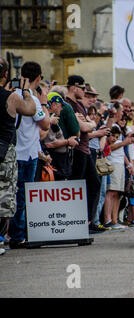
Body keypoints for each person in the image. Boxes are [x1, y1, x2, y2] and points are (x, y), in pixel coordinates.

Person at [8, 61, 51, 249]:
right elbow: (45, 124)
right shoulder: (31, 98)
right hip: (27, 153)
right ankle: (18, 235)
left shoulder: (11, 95)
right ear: (39, 78)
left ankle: (13, 233)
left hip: (14, 151)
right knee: (23, 196)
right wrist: (43, 103)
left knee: (13, 195)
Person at [0, 57, 37, 253]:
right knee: (6, 195)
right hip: (4, 151)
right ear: (6, 75)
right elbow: (30, 110)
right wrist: (26, 93)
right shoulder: (11, 97)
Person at [65, 75, 101, 233]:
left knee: (94, 184)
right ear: (74, 87)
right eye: (82, 89)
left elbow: (86, 124)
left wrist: (88, 123)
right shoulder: (68, 104)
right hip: (78, 150)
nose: (84, 92)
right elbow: (84, 127)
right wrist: (91, 123)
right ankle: (78, 222)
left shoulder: (78, 105)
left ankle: (88, 221)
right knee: (77, 186)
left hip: (85, 150)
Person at [42, 92, 79, 181]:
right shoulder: (49, 120)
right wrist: (68, 141)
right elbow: (50, 144)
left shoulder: (52, 119)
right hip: (55, 159)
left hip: (60, 159)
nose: (62, 108)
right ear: (54, 104)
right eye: (61, 105)